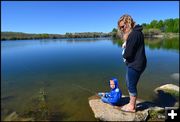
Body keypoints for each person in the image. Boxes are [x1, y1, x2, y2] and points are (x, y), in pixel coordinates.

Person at [118, 14, 147, 112]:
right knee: (129, 82)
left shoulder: (134, 34)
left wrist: (124, 53)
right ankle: (132, 103)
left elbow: (128, 54)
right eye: (120, 27)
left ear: (128, 23)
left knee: (131, 85)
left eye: (123, 26)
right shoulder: (137, 32)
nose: (121, 29)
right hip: (138, 63)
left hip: (135, 64)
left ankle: (132, 107)